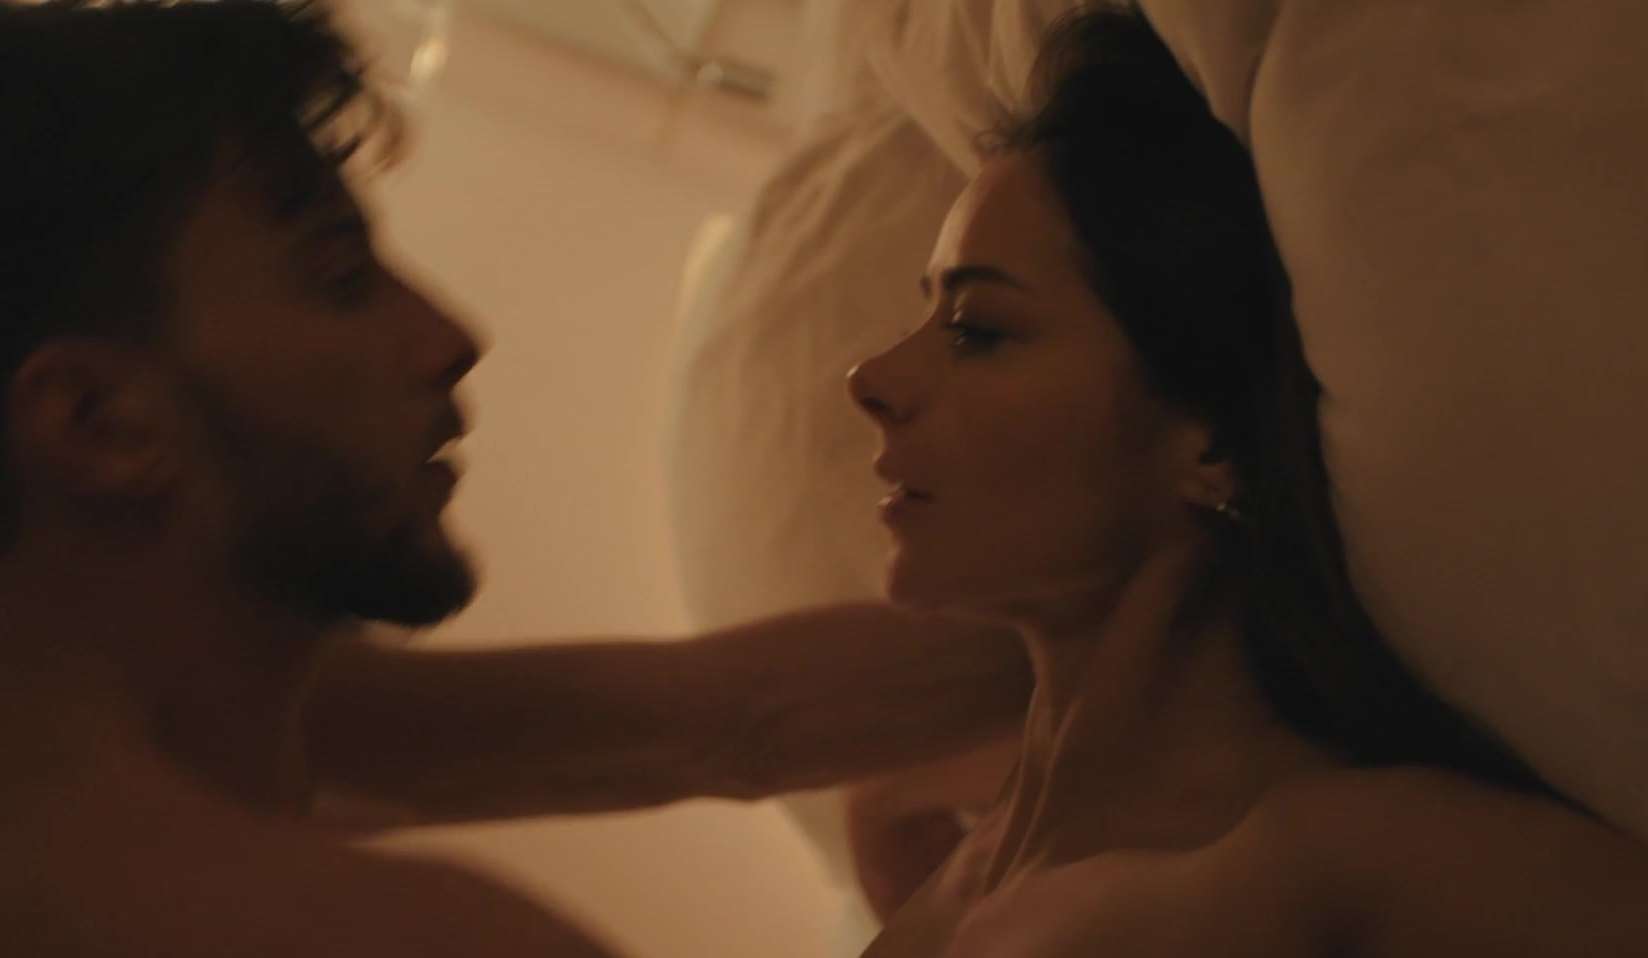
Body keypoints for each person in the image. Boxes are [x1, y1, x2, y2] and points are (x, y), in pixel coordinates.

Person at [0, 3, 1030, 955]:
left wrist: (1085, 633)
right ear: (97, 421)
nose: (450, 336)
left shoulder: (222, 714)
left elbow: (723, 719)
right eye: (337, 279)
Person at [829, 6, 1648, 956]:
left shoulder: (1338, 860)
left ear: (1213, 441)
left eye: (978, 330)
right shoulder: (977, 864)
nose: (870, 377)